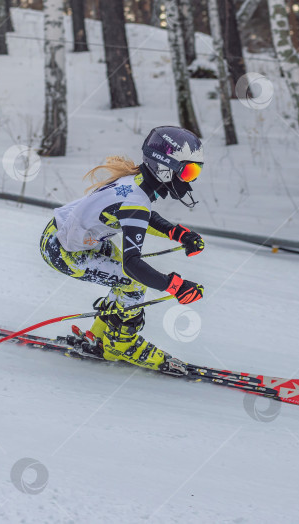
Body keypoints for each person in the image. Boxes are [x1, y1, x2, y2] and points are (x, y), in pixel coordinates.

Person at [39, 126, 206, 376]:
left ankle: (98, 336)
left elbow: (139, 216)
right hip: (64, 251)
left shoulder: (136, 182)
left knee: (127, 283)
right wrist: (176, 286)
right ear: (165, 167)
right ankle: (120, 346)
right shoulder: (135, 201)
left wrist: (177, 233)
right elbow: (132, 264)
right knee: (134, 283)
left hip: (71, 236)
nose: (190, 180)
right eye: (189, 171)